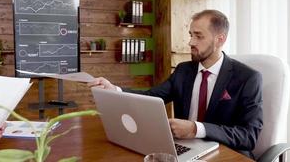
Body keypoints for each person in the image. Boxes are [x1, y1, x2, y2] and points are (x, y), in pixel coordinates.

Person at [88, 9, 263, 159]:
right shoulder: (183, 70)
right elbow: (152, 96)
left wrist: (196, 129)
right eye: (190, 35)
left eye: (198, 36)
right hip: (184, 148)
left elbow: (248, 136)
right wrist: (115, 90)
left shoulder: (248, 78)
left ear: (220, 39)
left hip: (225, 154)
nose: (191, 42)